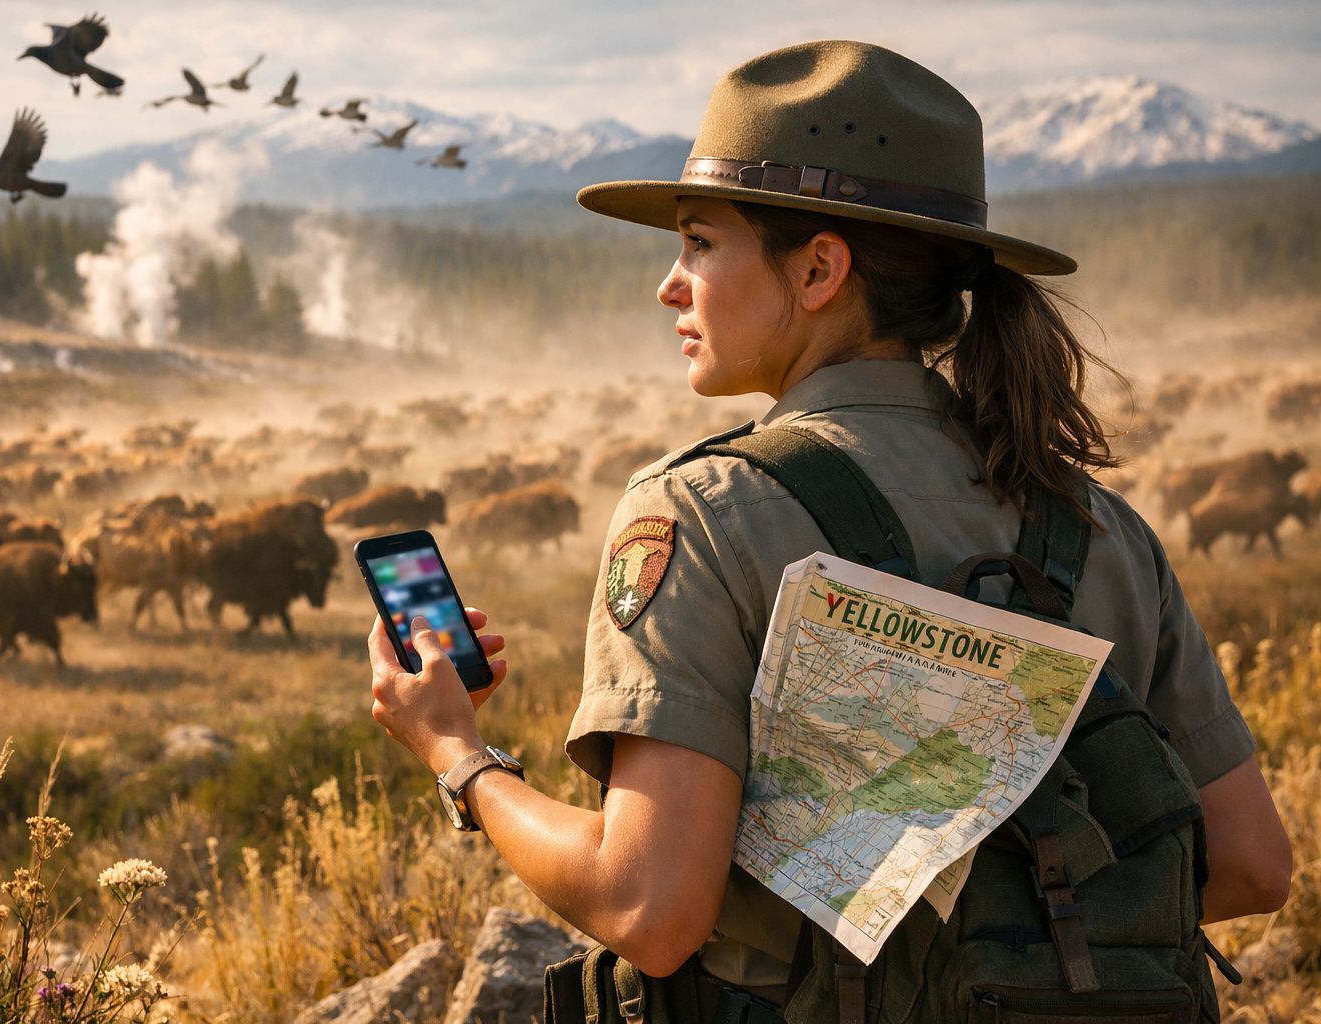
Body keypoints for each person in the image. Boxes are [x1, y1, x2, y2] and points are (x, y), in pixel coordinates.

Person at [367, 39, 1290, 1018]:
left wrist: (457, 755)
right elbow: (1249, 867)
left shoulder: (705, 513)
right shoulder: (1099, 525)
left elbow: (648, 906)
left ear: (817, 271)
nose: (669, 286)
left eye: (698, 242)